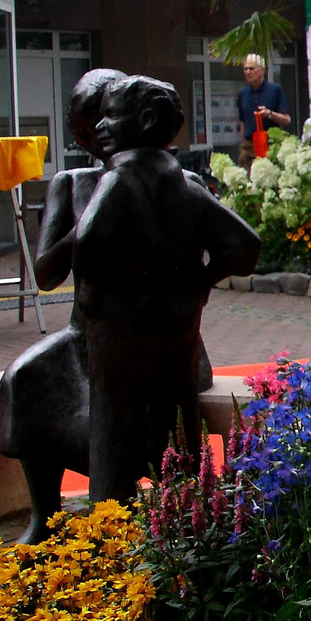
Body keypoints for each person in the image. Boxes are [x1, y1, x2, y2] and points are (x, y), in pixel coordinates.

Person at [75, 75, 260, 504]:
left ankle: (109, 525)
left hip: (119, 334)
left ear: (144, 120)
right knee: (178, 425)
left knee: (112, 430)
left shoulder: (118, 181)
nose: (100, 125)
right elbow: (244, 246)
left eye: (111, 116)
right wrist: (199, 282)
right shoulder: (188, 186)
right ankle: (188, 516)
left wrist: (95, 290)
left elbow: (87, 245)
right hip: (176, 332)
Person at [237, 53, 291, 165]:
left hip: (270, 144)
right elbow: (243, 123)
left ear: (262, 70)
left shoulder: (275, 90)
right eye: (245, 69)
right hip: (249, 146)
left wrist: (270, 114)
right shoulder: (243, 93)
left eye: (251, 69)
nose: (248, 72)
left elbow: (287, 120)